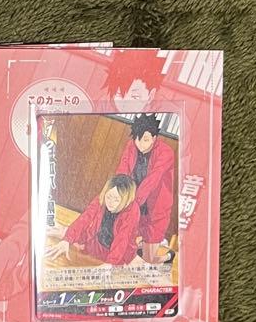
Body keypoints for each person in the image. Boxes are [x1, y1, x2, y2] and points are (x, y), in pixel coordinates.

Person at [115, 113, 175, 263]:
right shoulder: (131, 146)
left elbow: (153, 179)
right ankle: (139, 246)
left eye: (146, 140)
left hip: (155, 208)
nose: (141, 144)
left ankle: (168, 256)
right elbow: (122, 171)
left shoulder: (166, 152)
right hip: (134, 202)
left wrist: (133, 203)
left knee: (149, 260)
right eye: (137, 139)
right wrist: (121, 195)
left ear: (154, 138)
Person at [45, 174, 141, 267]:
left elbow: (123, 238)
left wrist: (110, 263)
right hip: (95, 245)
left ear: (126, 201)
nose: (110, 202)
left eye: (116, 200)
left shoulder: (132, 211)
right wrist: (67, 239)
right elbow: (85, 218)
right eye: (109, 197)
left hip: (119, 254)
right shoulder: (102, 198)